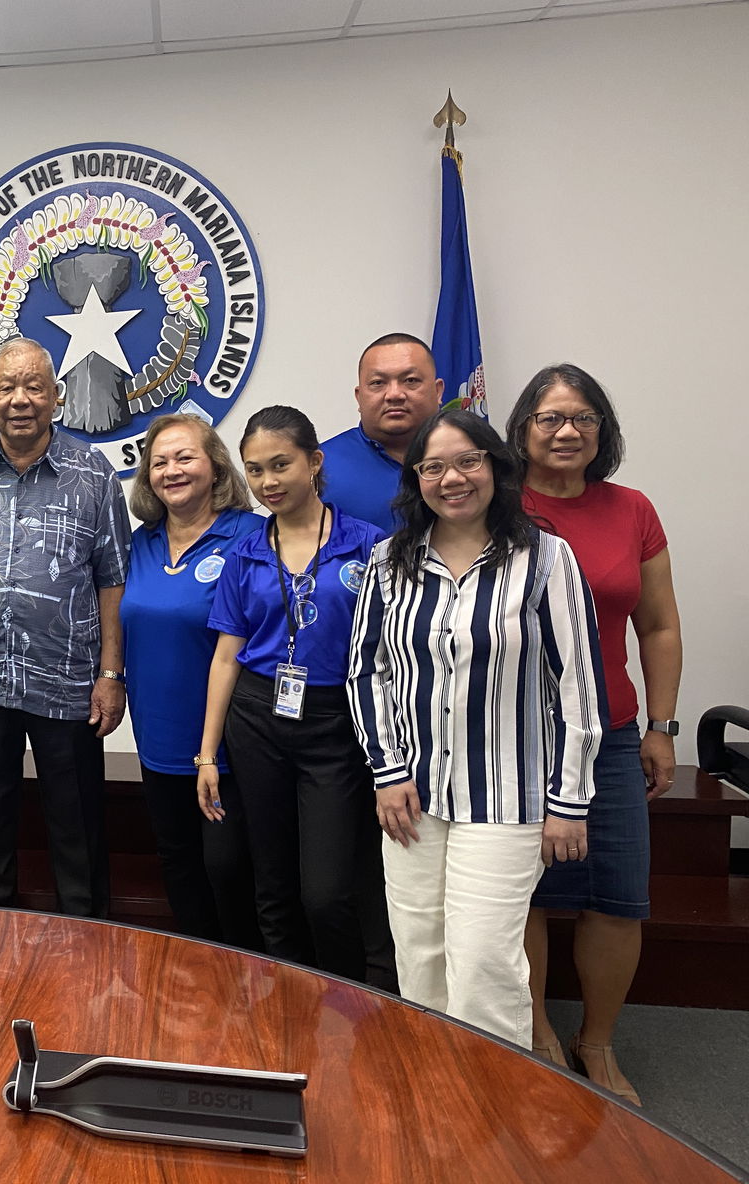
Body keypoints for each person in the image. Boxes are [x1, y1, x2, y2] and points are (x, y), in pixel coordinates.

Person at [348, 410, 602, 1047]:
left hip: (507, 800)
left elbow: (577, 686)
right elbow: (366, 674)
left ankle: (494, 1117)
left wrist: (569, 802)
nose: (451, 478)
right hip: (410, 797)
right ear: (416, 481)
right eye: (433, 467)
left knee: (484, 964)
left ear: (495, 466)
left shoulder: (544, 557)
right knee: (420, 957)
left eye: (467, 461)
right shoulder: (388, 562)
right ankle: (439, 1102)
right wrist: (386, 772)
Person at [511, 364, 682, 1103]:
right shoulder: (490, 502)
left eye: (583, 418)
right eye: (550, 418)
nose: (567, 431)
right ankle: (536, 1030)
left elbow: (660, 624)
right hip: (511, 735)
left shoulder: (632, 509)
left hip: (609, 732)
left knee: (616, 892)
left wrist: (662, 726)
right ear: (522, 430)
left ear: (601, 432)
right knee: (516, 892)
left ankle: (597, 1042)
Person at [0, 337, 130, 917]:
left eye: (34, 386)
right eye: (7, 387)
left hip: (70, 683)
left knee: (78, 832)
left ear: (56, 397)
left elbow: (114, 578)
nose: (20, 400)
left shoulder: (94, 475)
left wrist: (112, 672)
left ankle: (87, 950)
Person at [196, 405, 395, 989]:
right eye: (255, 471)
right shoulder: (247, 552)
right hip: (256, 719)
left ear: (314, 461)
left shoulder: (369, 547)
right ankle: (290, 1002)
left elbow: (391, 657)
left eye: (281, 465)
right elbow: (226, 656)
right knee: (272, 880)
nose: (268, 483)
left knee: (328, 891)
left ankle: (346, 1002)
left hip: (335, 725)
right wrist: (208, 755)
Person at [120, 413, 263, 947]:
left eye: (185, 458)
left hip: (230, 743)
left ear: (215, 465)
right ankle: (201, 978)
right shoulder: (141, 543)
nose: (171, 470)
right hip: (157, 738)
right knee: (177, 861)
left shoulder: (250, 536)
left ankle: (250, 980)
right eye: (159, 462)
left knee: (230, 868)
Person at [320, 333, 446, 533]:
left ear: (438, 391)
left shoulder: (475, 459)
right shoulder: (318, 467)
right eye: (378, 383)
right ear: (359, 397)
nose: (394, 394)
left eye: (411, 380)